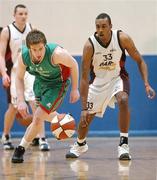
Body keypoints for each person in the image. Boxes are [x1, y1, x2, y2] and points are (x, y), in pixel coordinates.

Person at [65, 13, 156, 160]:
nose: (100, 30)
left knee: (124, 100)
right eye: (97, 27)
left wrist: (146, 83)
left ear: (110, 27)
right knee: (86, 118)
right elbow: (83, 78)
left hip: (117, 78)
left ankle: (123, 145)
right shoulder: (90, 45)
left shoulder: (122, 38)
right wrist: (83, 108)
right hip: (97, 83)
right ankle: (80, 144)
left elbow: (139, 61)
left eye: (104, 26)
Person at [11, 29, 80, 163]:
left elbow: (74, 64)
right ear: (29, 48)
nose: (38, 53)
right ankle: (63, 119)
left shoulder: (57, 54)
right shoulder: (23, 56)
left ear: (45, 45)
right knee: (41, 116)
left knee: (37, 117)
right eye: (34, 50)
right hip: (40, 82)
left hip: (57, 84)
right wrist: (20, 100)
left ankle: (20, 149)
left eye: (40, 49)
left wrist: (75, 89)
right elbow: (19, 78)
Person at [0, 4, 50, 151]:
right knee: (14, 107)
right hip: (15, 72)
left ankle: (41, 138)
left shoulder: (32, 29)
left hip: (31, 72)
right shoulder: (6, 31)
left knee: (36, 103)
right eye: (20, 13)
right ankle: (6, 135)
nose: (23, 16)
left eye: (25, 13)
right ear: (14, 15)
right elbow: (1, 55)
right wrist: (3, 73)